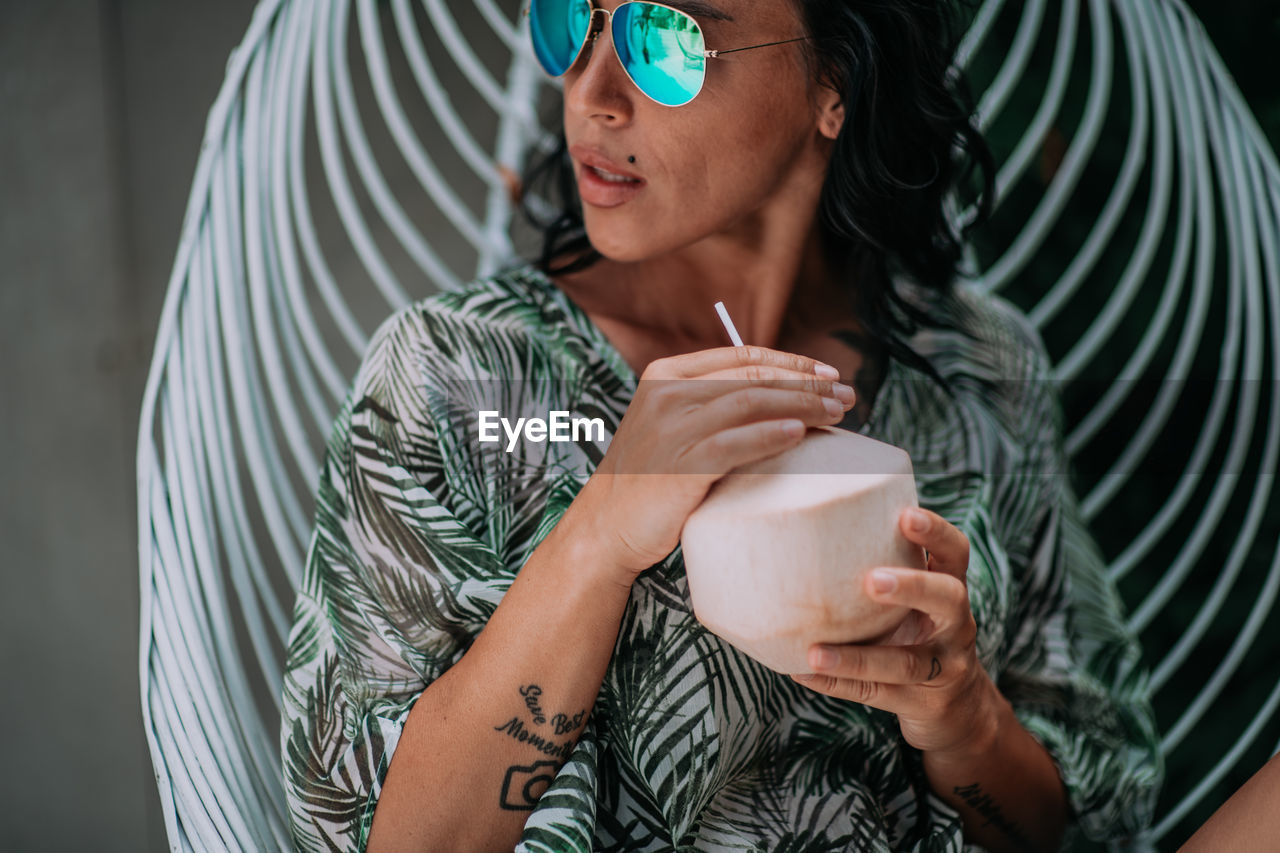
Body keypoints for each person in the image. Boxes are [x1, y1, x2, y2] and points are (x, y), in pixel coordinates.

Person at [280, 1, 1163, 850]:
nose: (592, 93)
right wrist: (599, 537)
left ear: (837, 81)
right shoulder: (459, 374)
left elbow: (1078, 823)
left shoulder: (978, 369)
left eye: (665, 38)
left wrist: (964, 715)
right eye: (567, 20)